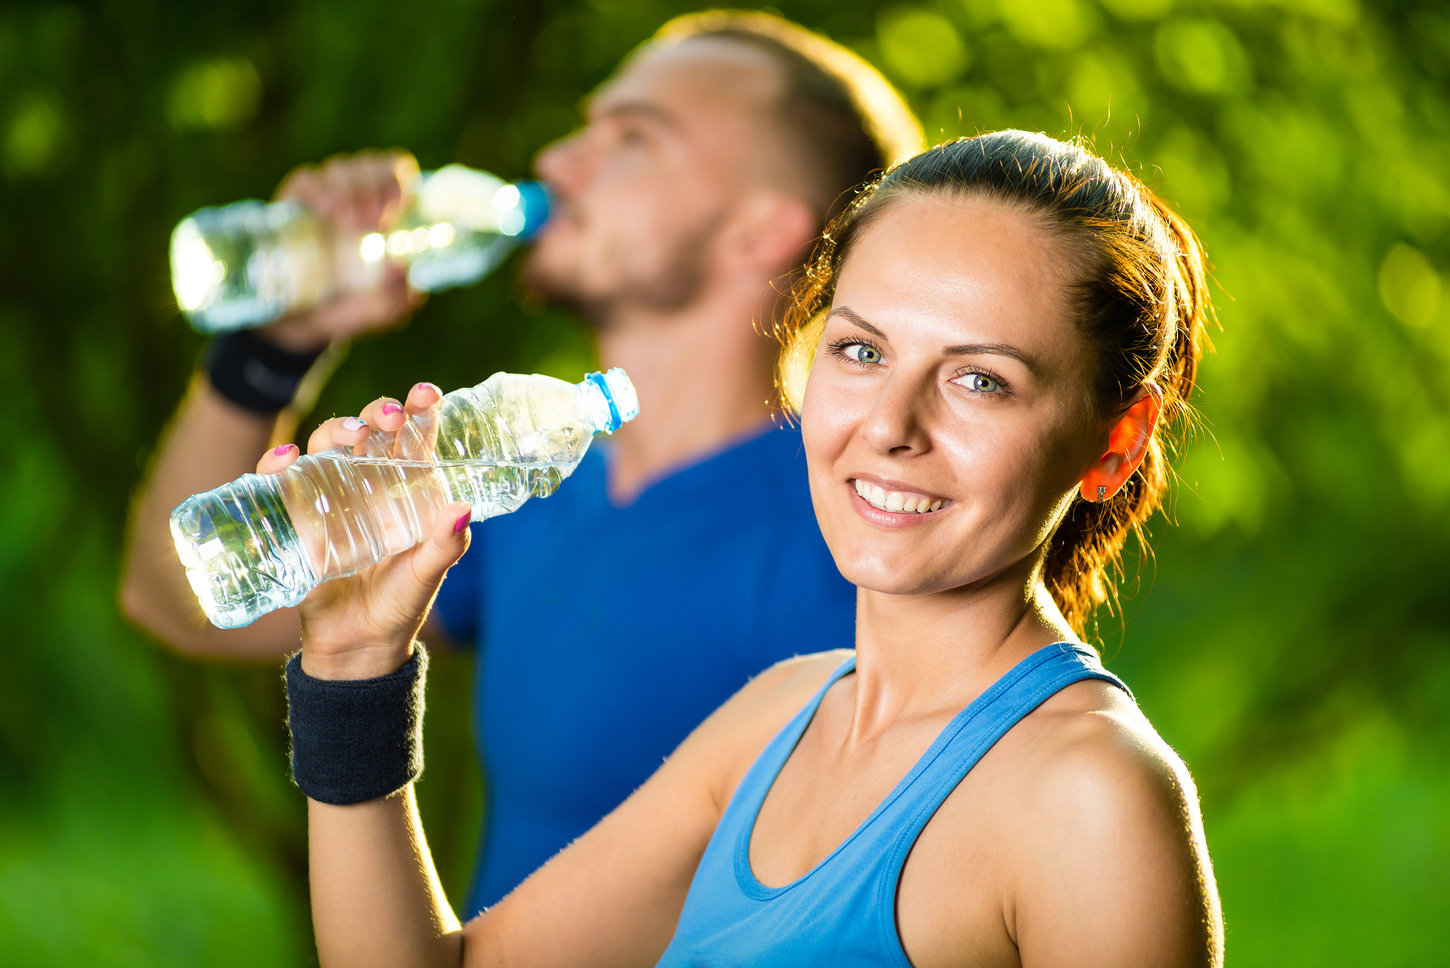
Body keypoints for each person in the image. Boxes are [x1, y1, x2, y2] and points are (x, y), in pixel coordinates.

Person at [266, 129, 1225, 966]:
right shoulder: (775, 718)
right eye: (861, 351)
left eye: (980, 380)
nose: (888, 426)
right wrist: (354, 667)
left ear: (1116, 443)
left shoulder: (1091, 800)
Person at [118, 11, 925, 914]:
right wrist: (276, 343)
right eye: (586, 127)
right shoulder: (521, 486)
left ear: (759, 230)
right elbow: (179, 597)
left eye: (633, 137)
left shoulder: (850, 538)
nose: (557, 161)